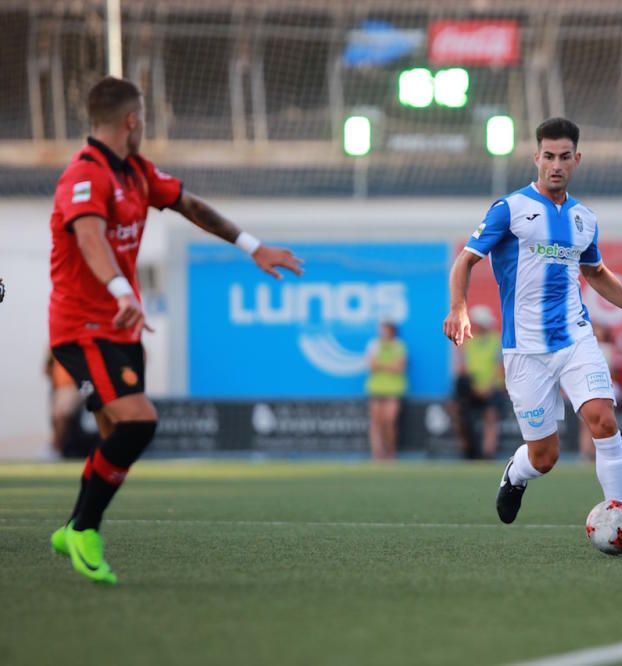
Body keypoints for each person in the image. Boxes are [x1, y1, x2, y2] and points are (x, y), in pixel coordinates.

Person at [48, 77, 303, 584]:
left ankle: (73, 528)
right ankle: (82, 528)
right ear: (131, 121)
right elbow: (90, 238)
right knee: (139, 423)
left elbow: (191, 205)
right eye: (142, 115)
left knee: (116, 432)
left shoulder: (137, 172)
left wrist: (252, 245)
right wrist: (122, 291)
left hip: (122, 327)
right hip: (85, 326)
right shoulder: (84, 175)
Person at [443, 117, 622, 556]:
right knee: (544, 456)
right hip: (524, 351)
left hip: (575, 339)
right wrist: (459, 307)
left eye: (565, 157)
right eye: (548, 156)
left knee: (603, 418)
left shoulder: (584, 219)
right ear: (536, 157)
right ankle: (517, 474)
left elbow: (595, 272)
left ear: (576, 160)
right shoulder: (509, 209)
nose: (556, 165)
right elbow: (465, 262)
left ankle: (621, 526)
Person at [451, 305, 503, 460]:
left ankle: (488, 454)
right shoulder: (467, 342)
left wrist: (487, 387)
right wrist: (473, 387)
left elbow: (499, 367)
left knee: (490, 417)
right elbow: (462, 367)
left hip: (492, 388)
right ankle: (468, 451)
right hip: (471, 389)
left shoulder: (496, 340)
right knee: (460, 415)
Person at [578, 321, 622, 461]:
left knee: (604, 422)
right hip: (587, 388)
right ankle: (587, 452)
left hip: (607, 388)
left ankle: (601, 454)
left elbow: (616, 371)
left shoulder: (610, 349)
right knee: (586, 424)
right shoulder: (584, 349)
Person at [365, 321, 407, 461]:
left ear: (392, 331)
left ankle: (390, 452)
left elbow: (399, 368)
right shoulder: (374, 345)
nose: (382, 332)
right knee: (376, 422)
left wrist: (380, 365)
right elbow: (371, 365)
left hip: (393, 389)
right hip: (376, 388)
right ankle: (377, 454)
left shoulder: (399, 346)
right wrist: (389, 365)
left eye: (385, 329)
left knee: (389, 421)